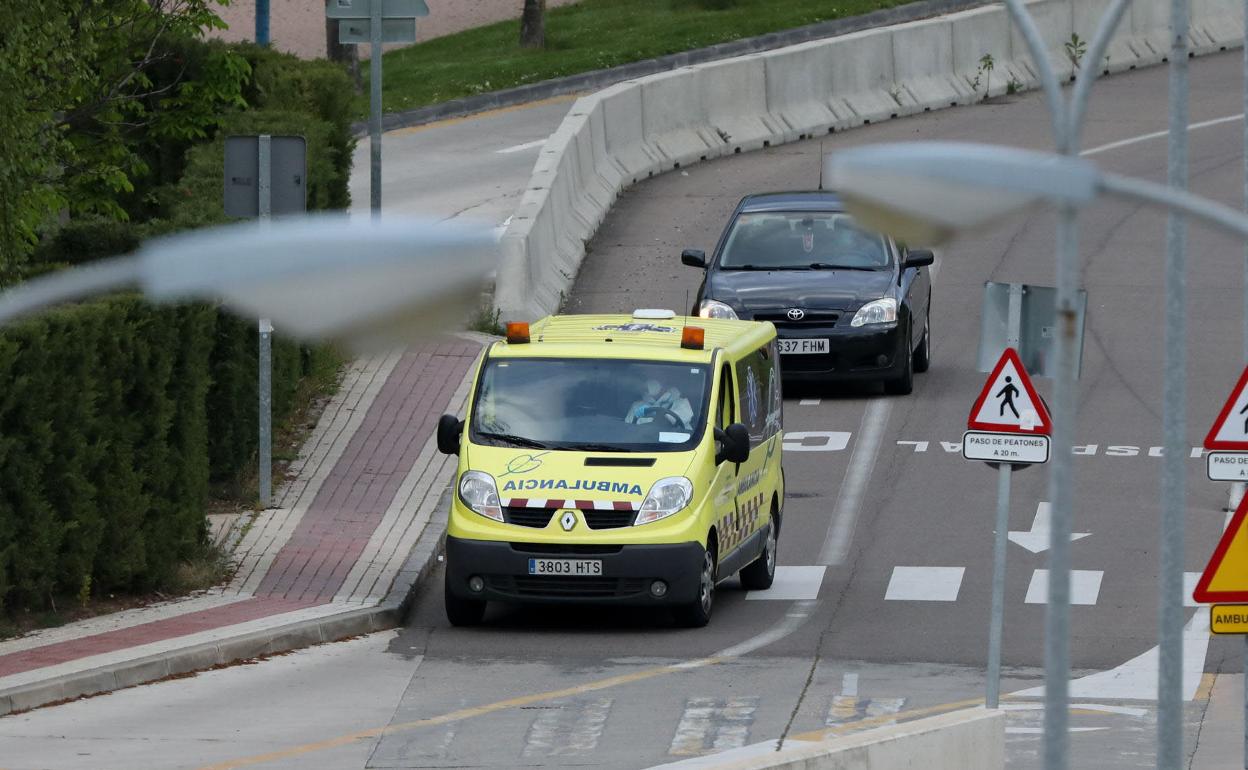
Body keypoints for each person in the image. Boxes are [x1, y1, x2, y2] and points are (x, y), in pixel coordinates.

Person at [626, 379, 694, 429]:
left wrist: (656, 415)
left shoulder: (681, 403)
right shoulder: (637, 405)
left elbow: (672, 420)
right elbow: (628, 429)